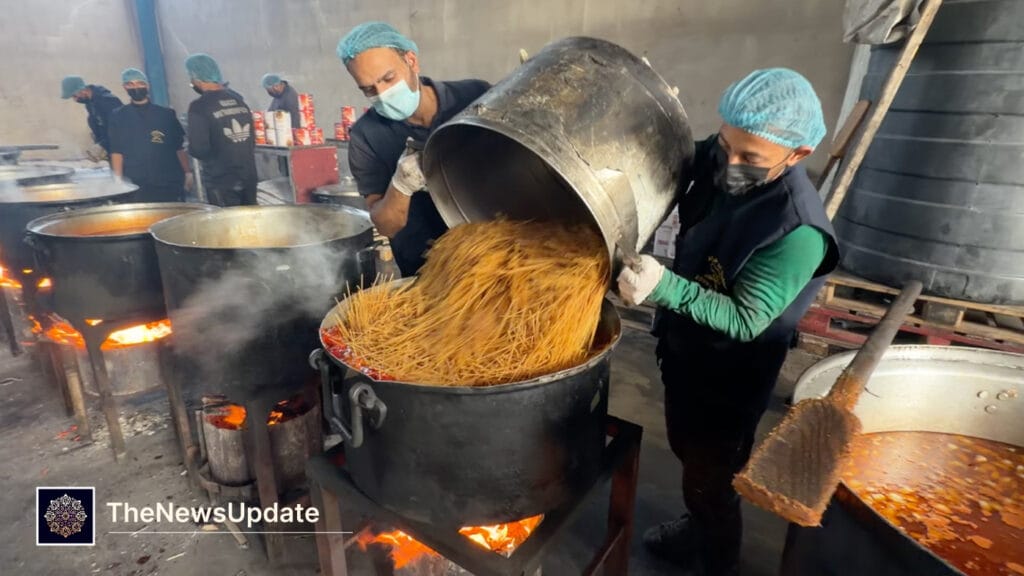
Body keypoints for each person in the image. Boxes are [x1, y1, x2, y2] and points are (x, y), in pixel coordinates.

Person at [617, 68, 840, 576]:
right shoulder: (728, 153)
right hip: (687, 348)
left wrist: (663, 287)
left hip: (729, 376)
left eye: (749, 158)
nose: (728, 163)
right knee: (683, 445)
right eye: (726, 144)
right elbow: (680, 156)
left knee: (713, 474)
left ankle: (718, 557)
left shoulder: (797, 230)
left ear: (798, 155)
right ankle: (697, 522)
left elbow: (745, 318)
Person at [336, 22, 490, 276]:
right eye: (368, 89)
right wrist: (401, 185)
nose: (382, 94)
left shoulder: (474, 96)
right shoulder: (366, 137)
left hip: (494, 255)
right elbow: (386, 226)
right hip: (427, 269)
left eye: (388, 78)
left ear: (411, 61)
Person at [107, 68, 193, 202]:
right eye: (130, 84)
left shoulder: (166, 114)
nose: (136, 87)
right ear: (124, 87)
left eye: (140, 83)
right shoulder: (118, 116)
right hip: (136, 181)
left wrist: (187, 172)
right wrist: (118, 179)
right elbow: (116, 150)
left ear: (147, 85)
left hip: (167, 180)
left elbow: (179, 147)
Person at [184, 53, 257, 206]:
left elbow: (199, 149)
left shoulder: (199, 107)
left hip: (222, 181)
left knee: (227, 227)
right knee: (251, 224)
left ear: (196, 78)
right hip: (248, 177)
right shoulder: (239, 101)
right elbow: (252, 140)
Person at [61, 75, 123, 161]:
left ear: (82, 90)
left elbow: (120, 129)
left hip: (122, 152)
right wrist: (99, 146)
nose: (75, 100)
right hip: (111, 151)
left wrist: (102, 145)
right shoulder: (90, 104)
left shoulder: (109, 102)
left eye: (74, 96)